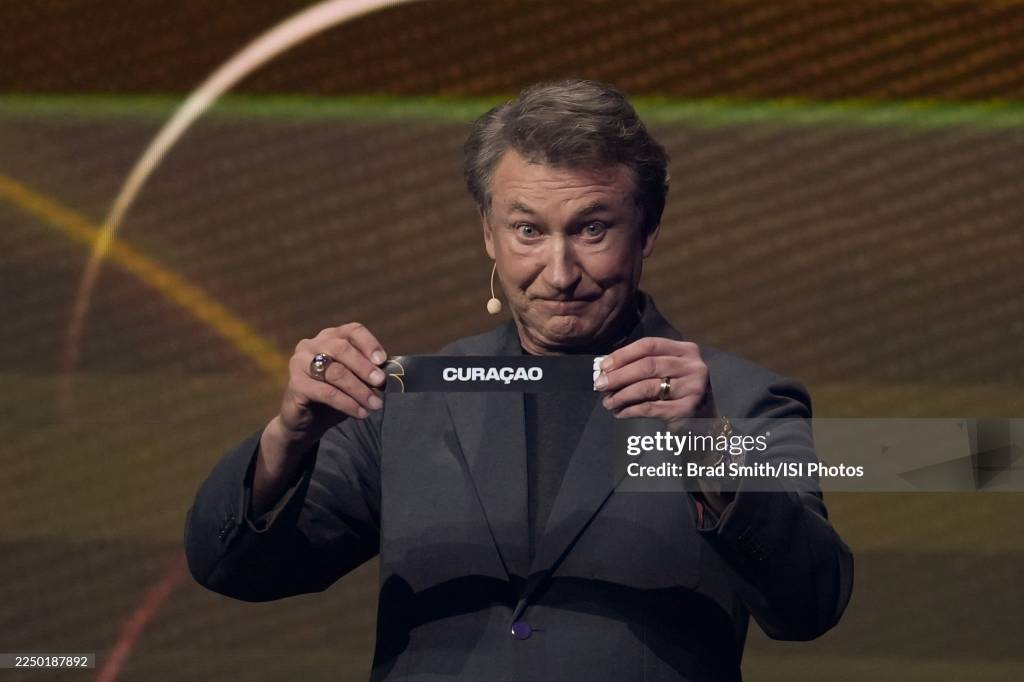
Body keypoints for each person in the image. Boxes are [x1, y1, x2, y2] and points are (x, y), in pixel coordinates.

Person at [184, 78, 853, 681]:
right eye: (528, 230)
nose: (559, 273)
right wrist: (287, 436)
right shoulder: (408, 399)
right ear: (488, 234)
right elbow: (234, 569)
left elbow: (811, 604)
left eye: (593, 229)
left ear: (647, 231)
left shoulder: (740, 400)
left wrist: (708, 445)